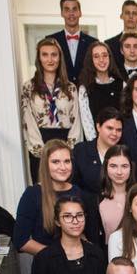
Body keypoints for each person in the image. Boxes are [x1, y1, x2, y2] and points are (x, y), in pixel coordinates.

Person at [21, 37, 81, 183]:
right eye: (45, 54)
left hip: (65, 141)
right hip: (40, 142)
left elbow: (76, 121)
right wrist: (42, 152)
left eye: (54, 54)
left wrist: (69, 149)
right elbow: (27, 120)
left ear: (60, 58)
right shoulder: (29, 87)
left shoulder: (71, 87)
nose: (50, 59)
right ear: (39, 58)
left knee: (66, 191)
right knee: (43, 192)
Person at [14, 140, 83, 255]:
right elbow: (21, 240)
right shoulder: (32, 194)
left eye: (67, 161)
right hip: (47, 265)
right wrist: (56, 255)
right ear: (45, 165)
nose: (63, 167)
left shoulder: (77, 192)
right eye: (56, 162)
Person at [77, 44, 123, 141]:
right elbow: (87, 121)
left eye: (104, 55)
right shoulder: (85, 88)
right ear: (91, 60)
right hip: (96, 144)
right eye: (96, 56)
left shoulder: (122, 84)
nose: (101, 60)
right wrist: (96, 146)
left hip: (120, 142)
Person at [72, 107, 123, 195]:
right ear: (98, 127)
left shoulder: (124, 153)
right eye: (110, 128)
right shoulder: (81, 151)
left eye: (118, 130)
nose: (114, 133)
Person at [48, 0, 96, 85]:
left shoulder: (93, 42)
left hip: (87, 94)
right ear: (62, 13)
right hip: (60, 95)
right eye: (67, 10)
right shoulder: (51, 40)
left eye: (74, 9)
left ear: (80, 13)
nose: (71, 13)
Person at [105, 0, 137, 73]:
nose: (131, 16)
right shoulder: (109, 45)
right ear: (121, 16)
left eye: (134, 13)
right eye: (127, 13)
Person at [98, 144, 134, 244]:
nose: (119, 172)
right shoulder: (97, 199)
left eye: (124, 166)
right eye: (113, 166)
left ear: (131, 168)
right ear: (106, 167)